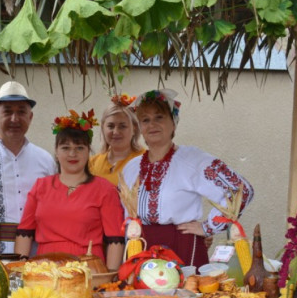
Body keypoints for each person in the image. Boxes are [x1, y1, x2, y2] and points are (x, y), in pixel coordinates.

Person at [120, 89, 254, 268]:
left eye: (159, 117)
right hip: (142, 246)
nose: (152, 124)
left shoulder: (193, 160)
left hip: (182, 245)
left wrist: (207, 227)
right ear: (140, 128)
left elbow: (241, 189)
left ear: (173, 123)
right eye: (145, 120)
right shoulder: (131, 168)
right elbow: (125, 214)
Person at [14, 110, 125, 272]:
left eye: (79, 148)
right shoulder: (41, 186)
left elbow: (115, 239)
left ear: (88, 152)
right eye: (65, 148)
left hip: (88, 270)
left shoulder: (105, 189)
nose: (72, 154)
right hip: (44, 269)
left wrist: (110, 277)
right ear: (57, 153)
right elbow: (24, 233)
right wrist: (19, 273)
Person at [0, 81, 56, 255]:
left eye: (21, 112)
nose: (14, 119)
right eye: (7, 112)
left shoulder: (45, 160)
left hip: (35, 250)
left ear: (30, 117)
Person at [89, 94, 145, 186]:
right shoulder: (91, 163)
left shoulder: (146, 161)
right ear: (103, 128)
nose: (115, 132)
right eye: (110, 126)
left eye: (122, 126)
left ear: (134, 128)